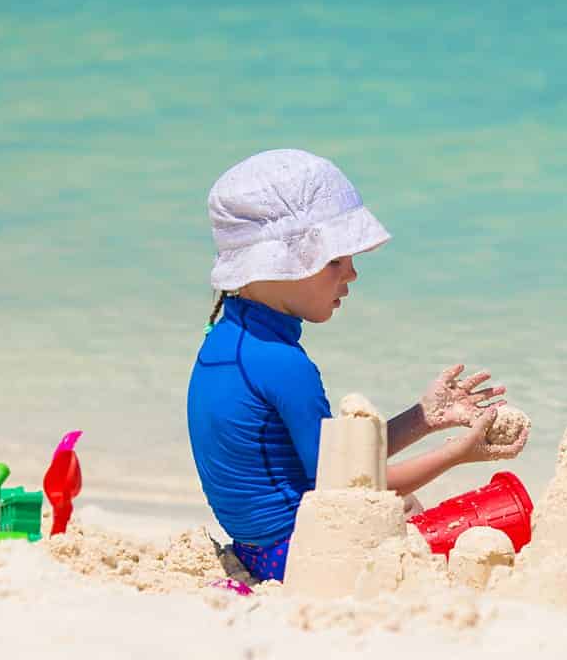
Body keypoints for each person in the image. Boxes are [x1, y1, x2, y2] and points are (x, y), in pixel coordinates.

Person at [185, 148, 527, 581]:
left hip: (257, 550)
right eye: (333, 261)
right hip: (300, 556)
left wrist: (424, 419)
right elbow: (348, 488)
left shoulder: (228, 340)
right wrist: (458, 454)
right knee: (492, 528)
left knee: (406, 506)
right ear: (272, 265)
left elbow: (333, 459)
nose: (352, 275)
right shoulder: (284, 365)